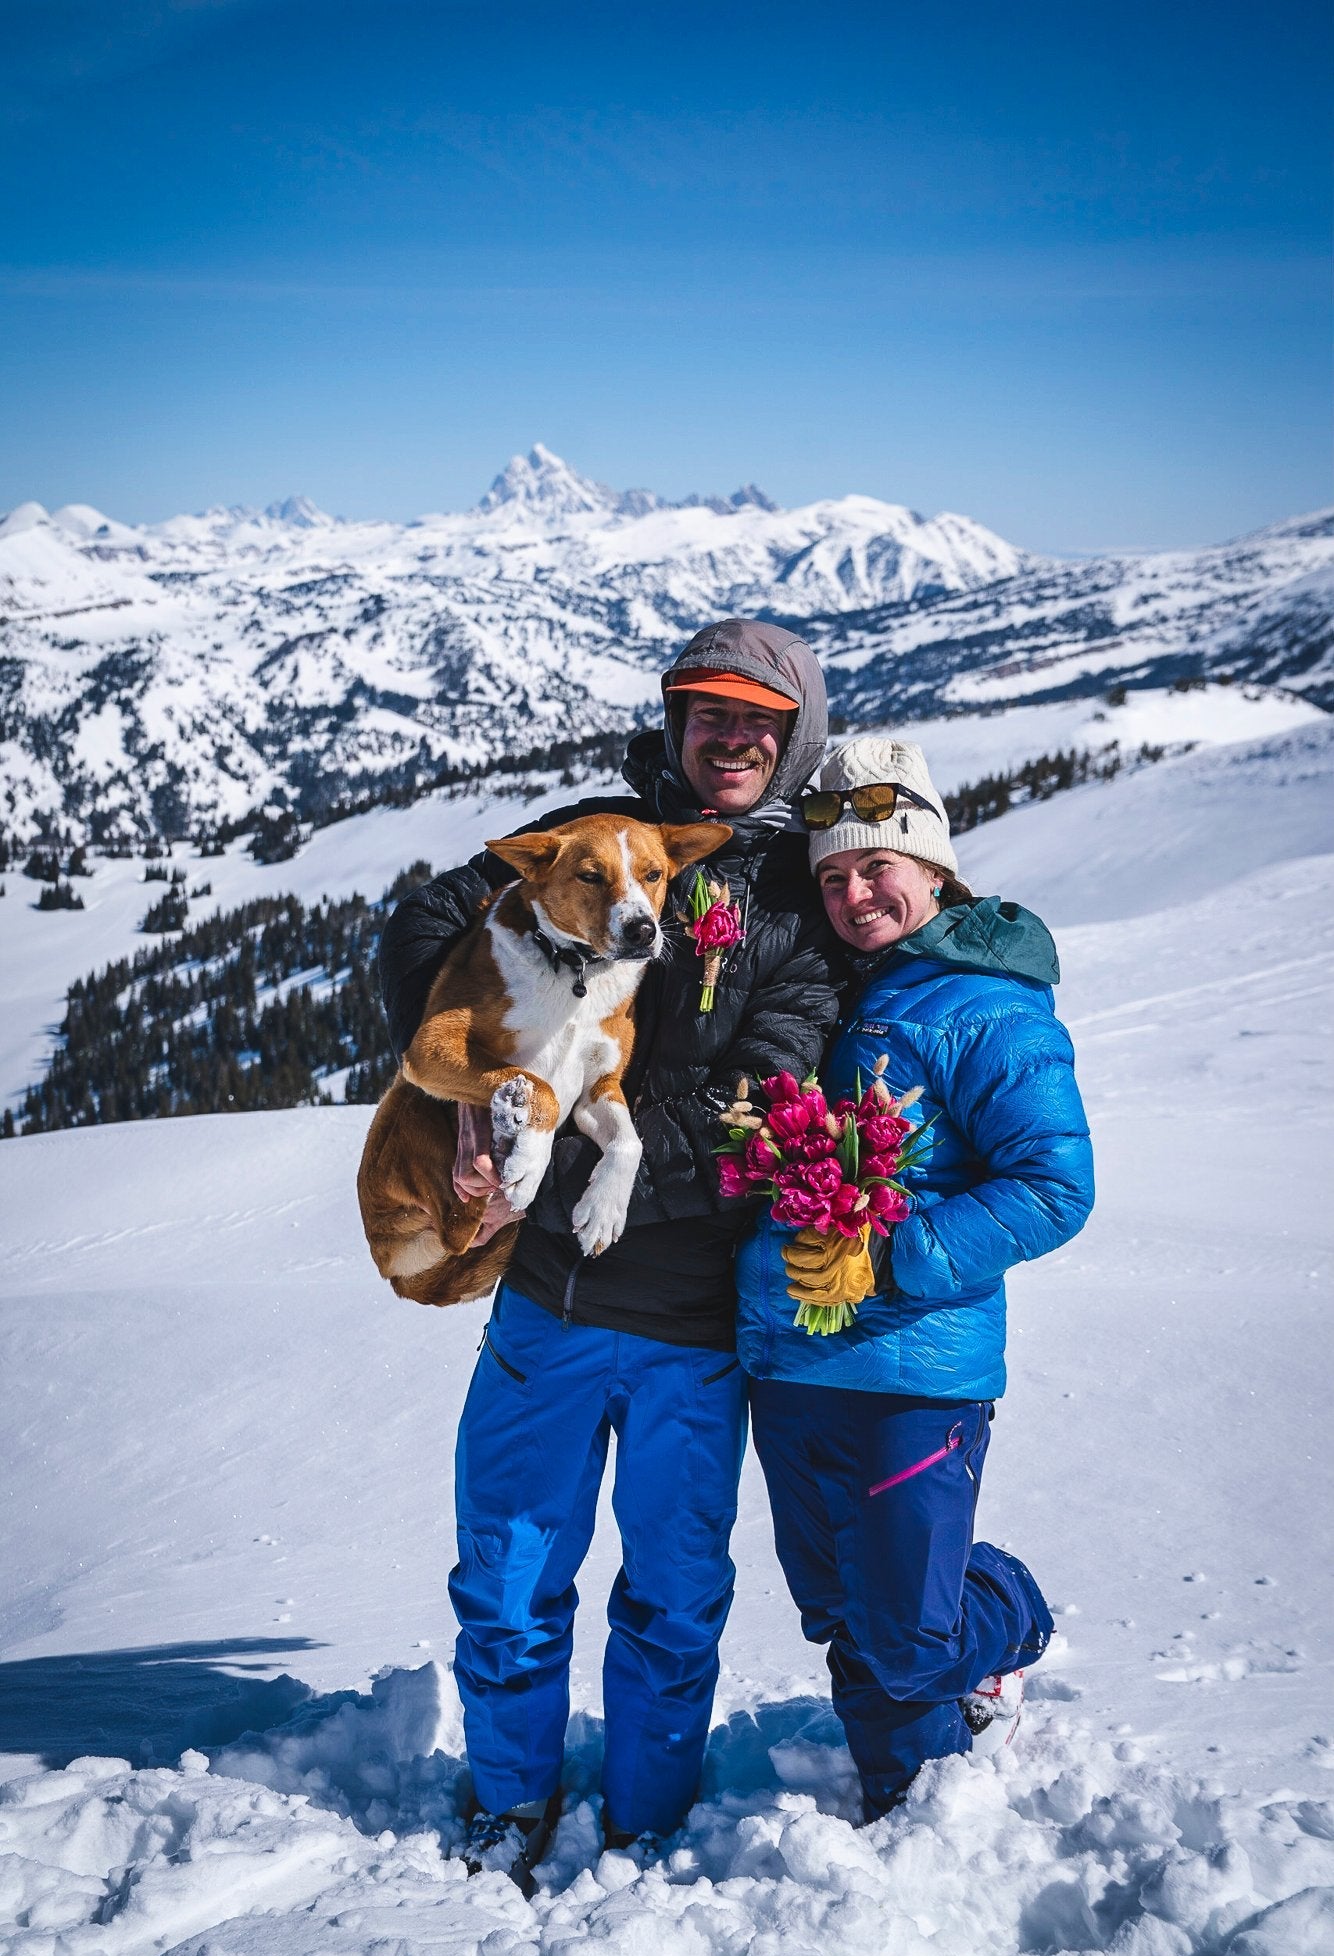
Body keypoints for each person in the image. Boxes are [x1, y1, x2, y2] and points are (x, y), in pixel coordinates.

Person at [377, 619, 841, 1878]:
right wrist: (474, 1084)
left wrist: (556, 1158)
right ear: (676, 725)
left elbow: (753, 1100)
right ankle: (509, 1801)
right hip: (545, 1304)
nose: (729, 741)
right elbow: (425, 926)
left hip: (692, 1323)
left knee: (674, 1599)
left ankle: (646, 1816)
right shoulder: (588, 835)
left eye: (757, 723)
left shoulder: (798, 900)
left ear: (792, 737)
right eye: (708, 717)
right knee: (510, 1580)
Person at [736, 736, 1094, 1819]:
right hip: (789, 1356)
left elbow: (1051, 1185)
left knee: (907, 1628)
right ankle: (904, 1779)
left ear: (933, 866)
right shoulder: (821, 985)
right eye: (833, 874)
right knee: (842, 1610)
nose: (853, 892)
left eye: (876, 865)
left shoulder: (989, 1005)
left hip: (912, 1366)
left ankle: (1002, 1622)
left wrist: (890, 1254)